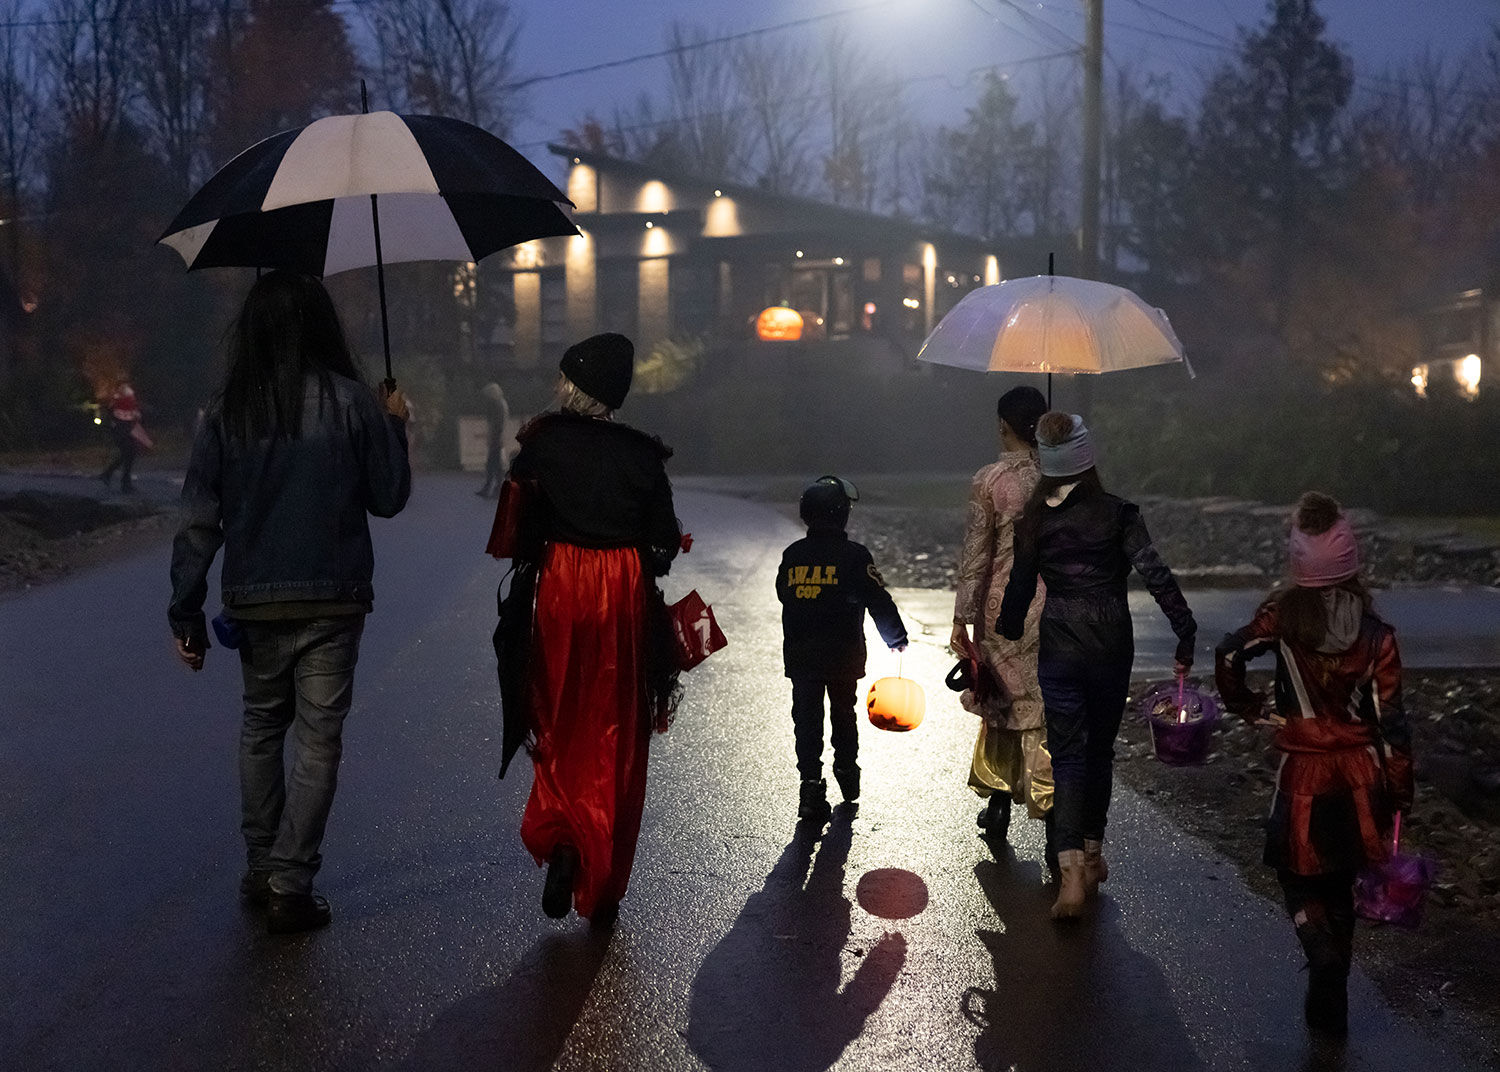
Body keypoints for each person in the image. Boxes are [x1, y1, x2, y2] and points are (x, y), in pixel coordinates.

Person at [167, 271, 411, 936]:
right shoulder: (353, 402)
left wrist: (184, 611)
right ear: (319, 326)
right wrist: (395, 427)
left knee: (261, 727)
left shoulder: (228, 411)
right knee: (319, 740)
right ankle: (291, 882)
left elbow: (198, 520)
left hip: (255, 601)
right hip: (333, 599)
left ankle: (259, 867)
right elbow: (389, 498)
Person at [1215, 492, 1413, 1038]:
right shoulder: (1378, 637)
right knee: (1343, 882)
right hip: (1360, 776)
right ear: (1352, 564)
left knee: (1297, 879)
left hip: (1303, 772)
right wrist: (1400, 791)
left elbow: (1229, 653)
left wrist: (1249, 709)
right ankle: (1334, 1002)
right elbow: (1392, 723)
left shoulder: (1282, 618)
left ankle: (1315, 945)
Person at [504, 332, 682, 926]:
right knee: (614, 726)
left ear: (573, 386)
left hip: (560, 583)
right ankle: (599, 877)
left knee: (558, 712)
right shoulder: (641, 455)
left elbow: (516, 530)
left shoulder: (541, 443)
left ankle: (560, 837)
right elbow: (662, 540)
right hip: (621, 590)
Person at [1000, 412, 1195, 920]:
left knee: (1066, 756)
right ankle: (1091, 856)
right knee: (1100, 753)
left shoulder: (1034, 519)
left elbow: (1020, 588)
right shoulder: (1119, 513)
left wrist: (1009, 626)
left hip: (1060, 648)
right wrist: (1185, 628)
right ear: (1087, 457)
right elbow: (1155, 572)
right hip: (1111, 645)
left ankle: (1068, 879)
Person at [951, 386, 1055, 865]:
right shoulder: (1062, 476)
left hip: (1001, 607)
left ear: (1003, 426)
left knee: (1004, 702)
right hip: (1055, 605)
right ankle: (1056, 816)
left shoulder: (991, 480)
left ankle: (998, 804)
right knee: (1047, 706)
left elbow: (977, 556)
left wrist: (963, 619)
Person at [776, 475, 909, 823]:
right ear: (842, 515)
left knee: (805, 719)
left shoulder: (793, 555)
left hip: (801, 653)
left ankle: (810, 784)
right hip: (842, 654)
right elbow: (877, 598)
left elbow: (783, 593)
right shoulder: (854, 557)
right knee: (843, 713)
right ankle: (847, 773)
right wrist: (895, 637)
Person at [99, 378, 142, 492]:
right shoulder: (121, 399)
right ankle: (122, 482)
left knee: (128, 455)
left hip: (123, 429)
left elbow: (131, 411)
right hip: (121, 430)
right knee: (129, 454)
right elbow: (127, 412)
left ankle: (110, 475)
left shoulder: (120, 399)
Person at [476, 382, 511, 498]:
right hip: (498, 436)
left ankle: (493, 488)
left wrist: (494, 437)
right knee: (495, 464)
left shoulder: (497, 405)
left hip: (496, 437)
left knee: (493, 464)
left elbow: (497, 424)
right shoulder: (501, 404)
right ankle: (494, 488)